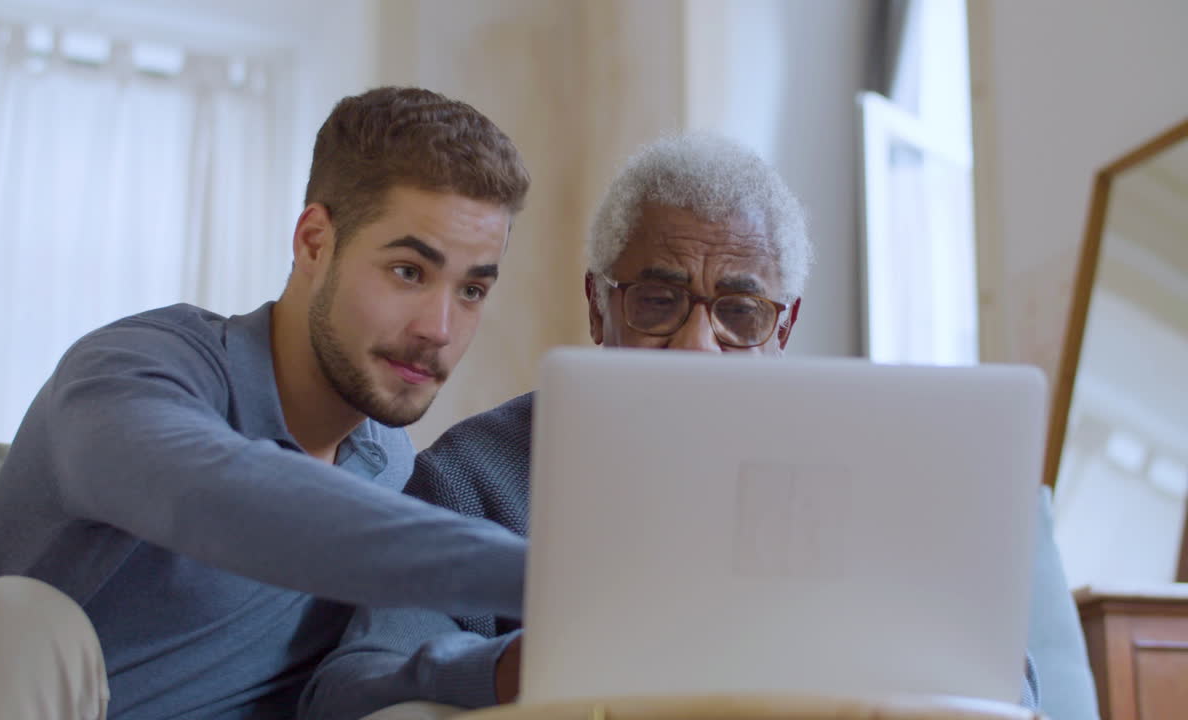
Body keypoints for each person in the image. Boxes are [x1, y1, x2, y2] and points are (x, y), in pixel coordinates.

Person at [302, 133, 1039, 719]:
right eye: (658, 301)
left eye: (740, 314)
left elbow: (1013, 688)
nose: (697, 344)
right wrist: (509, 667)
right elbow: (345, 691)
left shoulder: (870, 469)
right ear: (600, 307)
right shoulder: (479, 472)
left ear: (783, 329)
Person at [0, 86, 533, 720]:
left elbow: (349, 686)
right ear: (315, 242)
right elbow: (221, 495)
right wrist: (549, 577)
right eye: (408, 272)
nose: (440, 328)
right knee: (23, 619)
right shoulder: (132, 371)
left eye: (473, 289)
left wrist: (513, 664)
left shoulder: (391, 466)